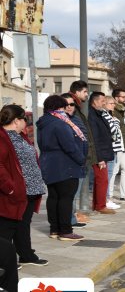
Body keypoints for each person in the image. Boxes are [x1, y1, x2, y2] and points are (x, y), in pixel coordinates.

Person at [0, 104, 47, 267]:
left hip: (30, 189)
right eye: (24, 119)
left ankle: (26, 254)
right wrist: (10, 187)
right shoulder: (3, 137)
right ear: (15, 120)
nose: (26, 122)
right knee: (7, 228)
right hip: (15, 191)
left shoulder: (20, 136)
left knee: (23, 225)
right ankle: (4, 261)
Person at [37, 95, 87, 241]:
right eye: (64, 107)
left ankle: (54, 229)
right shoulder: (60, 123)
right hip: (65, 165)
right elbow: (69, 146)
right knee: (66, 198)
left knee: (54, 197)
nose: (66, 110)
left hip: (49, 163)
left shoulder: (43, 122)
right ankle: (65, 230)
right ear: (58, 108)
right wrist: (81, 159)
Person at [60, 93, 89, 228]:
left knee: (74, 195)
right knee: (68, 195)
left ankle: (71, 218)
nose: (69, 107)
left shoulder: (76, 119)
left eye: (72, 104)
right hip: (69, 163)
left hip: (80, 162)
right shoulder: (60, 120)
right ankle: (68, 221)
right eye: (66, 104)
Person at [67, 80, 93, 224]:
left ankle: (73, 216)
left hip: (82, 156)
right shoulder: (74, 109)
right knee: (72, 193)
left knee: (74, 192)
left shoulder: (79, 109)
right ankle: (70, 218)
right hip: (77, 158)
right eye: (84, 92)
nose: (87, 95)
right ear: (76, 92)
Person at [87, 92, 116, 214]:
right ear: (95, 101)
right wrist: (99, 157)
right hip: (99, 154)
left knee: (102, 180)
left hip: (104, 151)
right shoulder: (92, 116)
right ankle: (100, 205)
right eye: (102, 100)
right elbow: (94, 138)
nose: (104, 102)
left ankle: (98, 204)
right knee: (102, 179)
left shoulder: (99, 114)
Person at [110, 88, 125, 201]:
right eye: (123, 97)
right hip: (117, 146)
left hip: (123, 146)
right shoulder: (113, 111)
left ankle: (124, 194)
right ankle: (109, 195)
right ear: (116, 98)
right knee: (114, 171)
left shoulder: (121, 111)